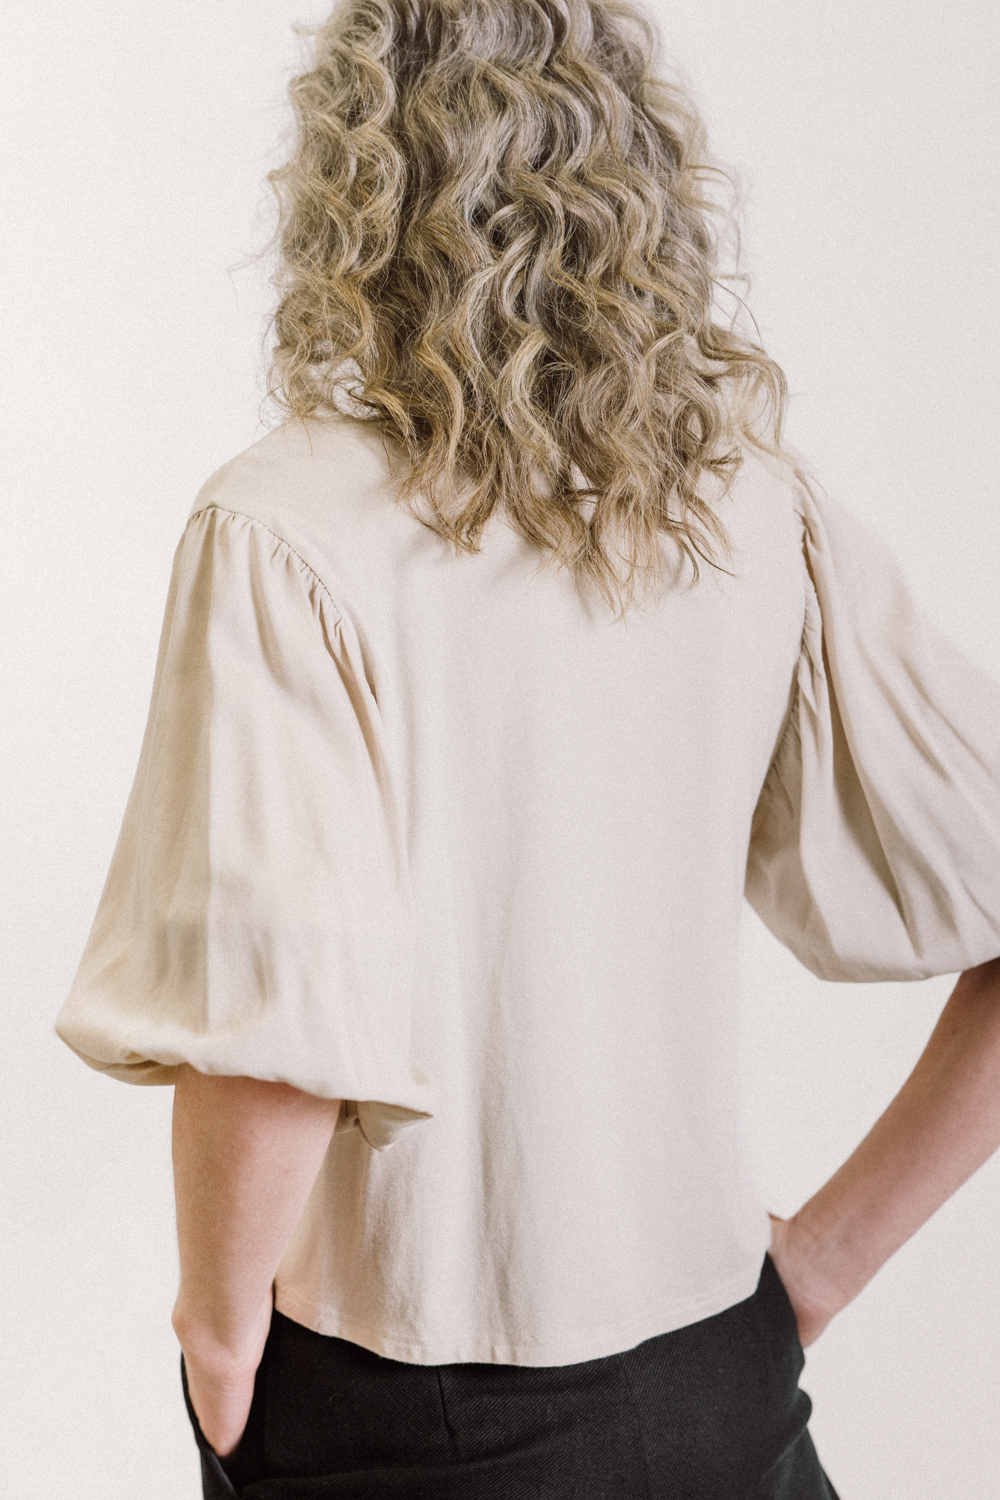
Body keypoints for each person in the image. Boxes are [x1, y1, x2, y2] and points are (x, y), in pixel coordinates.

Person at [54, 0, 1000, 1495]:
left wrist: (217, 1348)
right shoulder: (753, 507)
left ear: (356, 179)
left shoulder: (284, 531)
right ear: (639, 176)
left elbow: (273, 1036)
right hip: (723, 1385)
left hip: (403, 1410)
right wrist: (818, 1264)